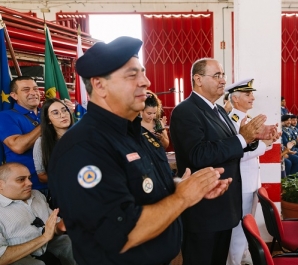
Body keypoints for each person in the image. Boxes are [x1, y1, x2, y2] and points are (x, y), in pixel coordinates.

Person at [48, 37, 230, 265]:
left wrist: (184, 187)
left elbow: (142, 188)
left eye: (142, 73)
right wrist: (184, 197)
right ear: (99, 85)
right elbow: (123, 232)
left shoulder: (136, 134)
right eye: (132, 75)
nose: (146, 81)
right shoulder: (84, 148)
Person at [169, 58, 274, 265]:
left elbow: (230, 149)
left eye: (223, 75)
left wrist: (253, 139)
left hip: (225, 208)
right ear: (198, 79)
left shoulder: (218, 111)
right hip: (204, 211)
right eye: (216, 75)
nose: (223, 80)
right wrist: (242, 138)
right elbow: (198, 155)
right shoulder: (186, 111)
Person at [225, 78, 277, 265]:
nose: (253, 98)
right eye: (248, 94)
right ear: (236, 99)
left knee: (248, 224)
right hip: (242, 183)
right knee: (239, 228)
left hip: (250, 181)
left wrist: (267, 141)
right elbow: (236, 154)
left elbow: (249, 147)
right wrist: (264, 145)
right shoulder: (233, 121)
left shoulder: (245, 120)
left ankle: (244, 254)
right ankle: (235, 261)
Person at [0, 162, 76, 265]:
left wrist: (62, 225)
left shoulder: (37, 195)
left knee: (74, 243)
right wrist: (44, 237)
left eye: (29, 178)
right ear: (1, 184)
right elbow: (2, 258)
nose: (30, 183)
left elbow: (53, 230)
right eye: (21, 179)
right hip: (18, 256)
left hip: (50, 244)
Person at [33, 98, 74, 185]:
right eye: (55, 113)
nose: (63, 115)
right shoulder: (41, 142)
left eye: (64, 110)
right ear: (48, 120)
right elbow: (42, 176)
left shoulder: (83, 135)